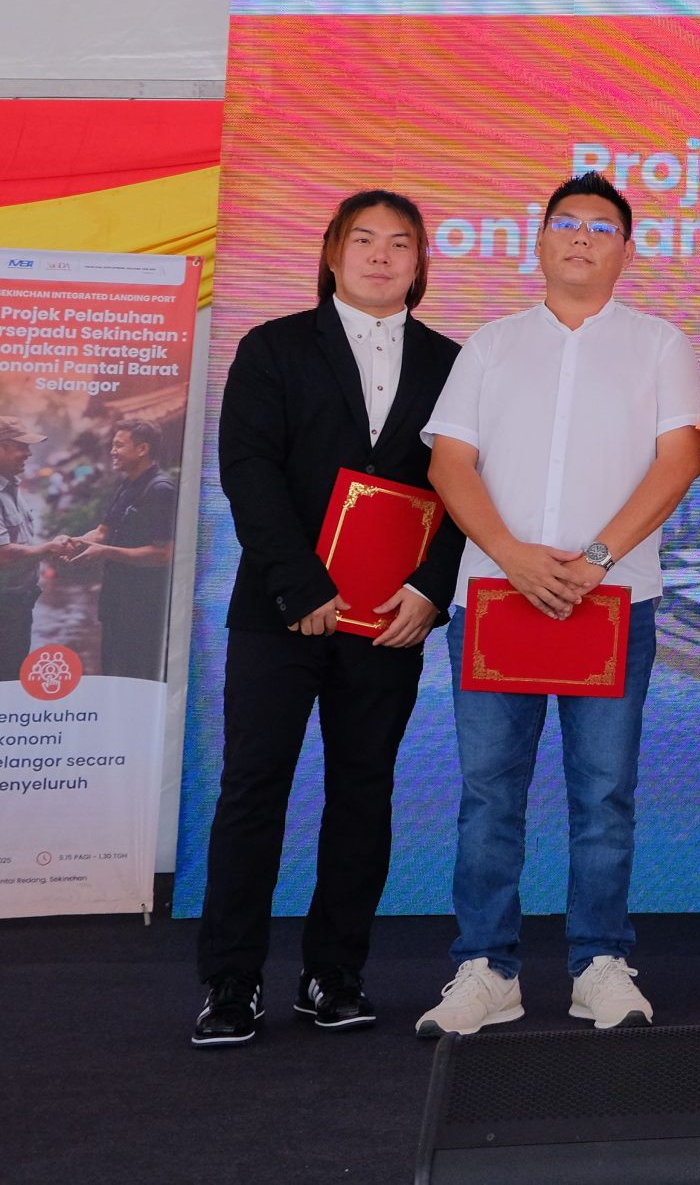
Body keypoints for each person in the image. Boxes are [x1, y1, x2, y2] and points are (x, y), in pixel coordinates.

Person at [415, 172, 700, 1038]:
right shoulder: (491, 344)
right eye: (567, 223)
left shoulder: (659, 343)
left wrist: (596, 557)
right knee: (488, 793)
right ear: (540, 240)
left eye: (601, 226)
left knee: (605, 792)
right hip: (495, 597)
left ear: (627, 249)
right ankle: (486, 967)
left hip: (613, 599)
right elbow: (449, 463)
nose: (582, 237)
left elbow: (679, 460)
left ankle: (599, 963)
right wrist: (510, 555)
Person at [193, 190, 466, 1048]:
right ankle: (231, 982)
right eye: (365, 240)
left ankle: (334, 973)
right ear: (332, 252)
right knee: (253, 790)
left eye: (400, 243)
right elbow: (248, 469)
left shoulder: (455, 363)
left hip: (390, 620)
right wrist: (301, 586)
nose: (382, 256)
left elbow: (469, 487)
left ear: (421, 262)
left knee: (363, 792)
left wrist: (431, 589)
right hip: (280, 614)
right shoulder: (272, 346)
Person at [61, 417, 180, 679]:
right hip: (116, 599)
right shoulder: (127, 483)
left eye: (119, 445)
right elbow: (102, 531)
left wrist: (104, 552)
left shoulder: (160, 489)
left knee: (136, 675)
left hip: (143, 605)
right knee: (112, 670)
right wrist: (75, 542)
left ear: (142, 449)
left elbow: (163, 554)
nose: (112, 451)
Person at [0, 419, 51, 679]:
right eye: (22, 447)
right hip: (4, 610)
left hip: (17, 608)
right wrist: (50, 548)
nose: (28, 454)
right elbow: (4, 554)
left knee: (13, 678)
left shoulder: (12, 488)